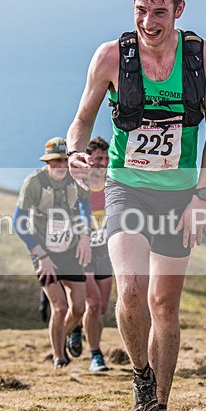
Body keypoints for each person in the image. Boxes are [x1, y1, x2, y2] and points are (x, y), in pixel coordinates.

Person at [66, 0, 206, 411]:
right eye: (141, 11)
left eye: (160, 12)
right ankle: (140, 376)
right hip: (126, 188)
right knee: (132, 289)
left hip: (179, 197)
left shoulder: (205, 58)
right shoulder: (111, 57)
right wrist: (76, 151)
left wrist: (201, 197)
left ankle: (158, 406)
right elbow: (82, 120)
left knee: (165, 307)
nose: (149, 23)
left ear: (179, 9)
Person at [14, 137, 92, 369]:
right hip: (43, 251)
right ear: (47, 161)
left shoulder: (76, 179)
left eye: (63, 161)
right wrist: (41, 255)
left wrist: (85, 237)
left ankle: (61, 336)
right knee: (60, 307)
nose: (59, 166)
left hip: (70, 249)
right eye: (54, 161)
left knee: (79, 308)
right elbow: (18, 223)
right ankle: (59, 358)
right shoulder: (34, 183)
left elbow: (85, 207)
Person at [82, 137, 114, 372]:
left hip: (105, 252)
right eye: (97, 159)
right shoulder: (78, 188)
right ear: (88, 161)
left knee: (101, 308)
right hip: (82, 253)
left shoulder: (114, 186)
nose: (102, 163)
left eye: (106, 158)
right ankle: (96, 355)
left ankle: (76, 327)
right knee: (92, 305)